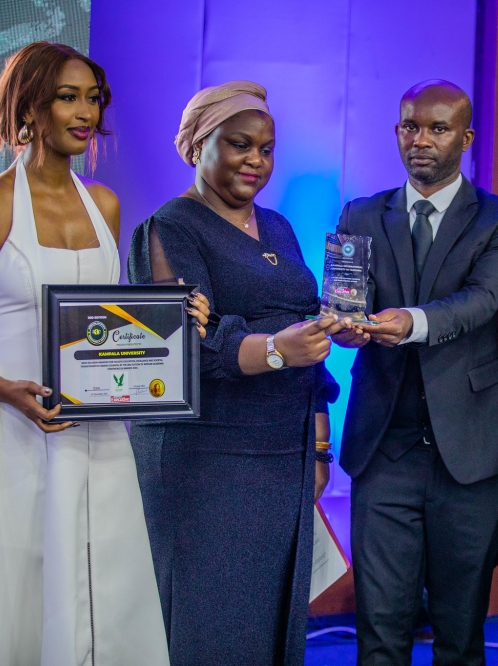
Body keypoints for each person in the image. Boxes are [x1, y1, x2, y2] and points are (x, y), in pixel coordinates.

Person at [0, 42, 196, 665]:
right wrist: (4, 389)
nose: (85, 112)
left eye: (92, 98)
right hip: (9, 427)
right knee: (14, 586)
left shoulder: (106, 205)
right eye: (68, 97)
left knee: (105, 585)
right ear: (31, 107)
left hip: (94, 430)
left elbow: (104, 326)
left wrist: (171, 317)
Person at [127, 80, 351, 666]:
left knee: (272, 625)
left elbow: (304, 326)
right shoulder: (171, 226)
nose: (256, 160)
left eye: (267, 148)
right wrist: (276, 349)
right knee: (212, 626)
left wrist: (320, 448)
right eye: (239, 144)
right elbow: (183, 347)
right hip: (207, 462)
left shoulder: (277, 226)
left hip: (285, 453)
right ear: (199, 144)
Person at [331, 80, 498, 665]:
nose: (420, 140)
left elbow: (482, 299)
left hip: (471, 452)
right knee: (380, 631)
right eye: (409, 127)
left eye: (437, 128)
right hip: (384, 448)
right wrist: (342, 329)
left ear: (465, 138)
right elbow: (345, 304)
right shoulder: (361, 213)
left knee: (459, 633)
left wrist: (409, 322)